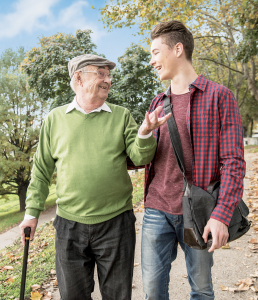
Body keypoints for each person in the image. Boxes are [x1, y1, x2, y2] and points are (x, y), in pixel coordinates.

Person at [19, 54, 171, 300]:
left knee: (117, 295)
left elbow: (141, 157)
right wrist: (31, 214)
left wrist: (144, 133)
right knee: (73, 296)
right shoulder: (54, 119)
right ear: (78, 77)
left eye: (109, 75)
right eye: (100, 73)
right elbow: (41, 171)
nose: (108, 80)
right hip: (69, 225)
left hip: (116, 223)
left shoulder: (121, 115)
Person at [141, 20, 246, 299]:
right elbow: (143, 158)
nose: (151, 61)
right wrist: (143, 135)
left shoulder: (220, 97)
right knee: (152, 291)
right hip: (156, 210)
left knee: (201, 289)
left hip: (198, 211)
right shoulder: (156, 103)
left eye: (154, 52)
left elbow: (233, 162)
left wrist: (222, 214)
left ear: (178, 49)